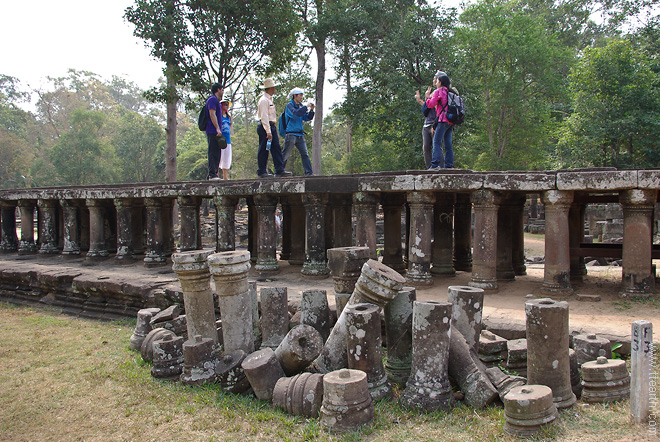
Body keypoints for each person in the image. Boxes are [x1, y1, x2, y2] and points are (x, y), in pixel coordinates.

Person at [256, 78, 291, 178]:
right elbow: (264, 116)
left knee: (275, 147)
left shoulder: (270, 100)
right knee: (264, 148)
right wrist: (268, 131)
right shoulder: (263, 100)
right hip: (265, 127)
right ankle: (262, 171)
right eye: (274, 87)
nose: (275, 89)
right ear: (270, 88)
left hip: (271, 126)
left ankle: (279, 169)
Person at [425, 71, 455, 170]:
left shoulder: (439, 91)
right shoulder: (449, 92)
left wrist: (427, 98)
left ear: (441, 82)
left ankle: (435, 164)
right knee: (448, 144)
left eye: (437, 80)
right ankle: (449, 165)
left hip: (442, 120)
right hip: (451, 120)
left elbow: (430, 105)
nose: (436, 82)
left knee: (436, 142)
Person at [281, 87, 314, 176]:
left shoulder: (300, 107)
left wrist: (311, 110)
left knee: (305, 154)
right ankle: (280, 171)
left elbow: (307, 118)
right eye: (300, 95)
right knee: (286, 154)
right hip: (291, 134)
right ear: (295, 96)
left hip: (300, 135)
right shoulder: (289, 106)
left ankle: (309, 172)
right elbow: (296, 113)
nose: (301, 97)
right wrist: (305, 107)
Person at [205, 83, 225, 181]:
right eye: (222, 89)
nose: (223, 92)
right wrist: (217, 128)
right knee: (213, 152)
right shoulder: (212, 100)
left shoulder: (216, 101)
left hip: (217, 131)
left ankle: (214, 173)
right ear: (218, 90)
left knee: (217, 152)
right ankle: (212, 174)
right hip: (212, 130)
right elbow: (212, 114)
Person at [415, 82, 437, 169]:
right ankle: (429, 167)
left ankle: (440, 166)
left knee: (436, 146)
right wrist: (419, 99)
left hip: (433, 124)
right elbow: (426, 106)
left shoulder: (437, 99)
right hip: (426, 125)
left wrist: (428, 97)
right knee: (426, 147)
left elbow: (435, 107)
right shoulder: (429, 102)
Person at [219, 96, 233, 180]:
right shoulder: (218, 116)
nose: (226, 106)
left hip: (228, 140)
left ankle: (225, 176)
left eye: (227, 104)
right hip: (221, 139)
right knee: (219, 157)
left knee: (226, 158)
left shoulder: (228, 117)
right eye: (225, 104)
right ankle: (216, 175)